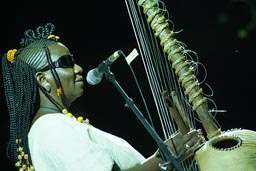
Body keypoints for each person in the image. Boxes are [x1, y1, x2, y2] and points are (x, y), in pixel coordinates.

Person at [2, 22, 204, 171]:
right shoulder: (51, 128)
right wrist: (164, 160)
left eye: (74, 61)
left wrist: (161, 155)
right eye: (66, 63)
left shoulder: (59, 124)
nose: (79, 68)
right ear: (42, 79)